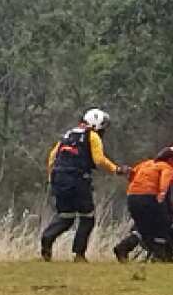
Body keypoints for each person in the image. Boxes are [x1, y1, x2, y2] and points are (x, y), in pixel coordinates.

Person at [41, 108, 128, 262]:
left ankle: (47, 240)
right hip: (78, 179)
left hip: (59, 178)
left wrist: (52, 177)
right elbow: (99, 159)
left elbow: (52, 156)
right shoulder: (92, 136)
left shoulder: (68, 134)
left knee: (66, 217)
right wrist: (116, 169)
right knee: (87, 217)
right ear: (96, 124)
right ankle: (79, 254)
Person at [114, 148, 173, 263]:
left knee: (143, 228)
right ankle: (159, 255)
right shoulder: (165, 166)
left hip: (132, 197)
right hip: (148, 197)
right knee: (162, 223)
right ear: (170, 159)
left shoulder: (145, 164)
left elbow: (132, 176)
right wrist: (163, 193)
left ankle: (122, 248)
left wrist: (125, 171)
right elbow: (166, 179)